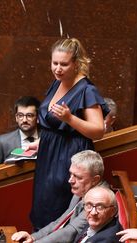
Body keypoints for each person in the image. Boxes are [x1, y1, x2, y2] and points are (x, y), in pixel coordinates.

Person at [30, 38, 109, 230]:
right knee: (43, 205)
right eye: (54, 63)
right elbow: (52, 123)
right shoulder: (57, 83)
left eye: (64, 64)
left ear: (76, 63)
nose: (58, 68)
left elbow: (98, 131)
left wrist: (70, 118)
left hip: (68, 157)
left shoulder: (86, 89)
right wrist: (41, 142)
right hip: (48, 156)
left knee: (58, 207)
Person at [11, 150, 109, 243]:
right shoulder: (81, 191)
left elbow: (70, 232)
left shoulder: (99, 201)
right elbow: (59, 222)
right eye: (71, 174)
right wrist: (33, 237)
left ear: (95, 180)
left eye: (78, 177)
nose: (70, 180)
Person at [0, 96, 40, 165]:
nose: (24, 120)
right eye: (20, 115)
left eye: (29, 115)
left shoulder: (48, 139)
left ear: (38, 118)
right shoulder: (3, 142)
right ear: (16, 118)